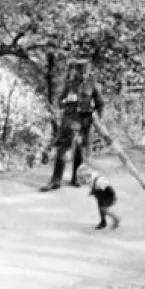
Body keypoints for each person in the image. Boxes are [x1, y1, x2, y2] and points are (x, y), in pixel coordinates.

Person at [41, 59, 105, 192]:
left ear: (89, 72)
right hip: (69, 119)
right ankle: (55, 180)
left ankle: (76, 178)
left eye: (85, 72)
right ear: (76, 71)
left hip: (85, 121)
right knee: (62, 149)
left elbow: (100, 104)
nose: (83, 74)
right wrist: (67, 101)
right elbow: (60, 102)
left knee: (80, 150)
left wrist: (99, 119)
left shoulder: (93, 85)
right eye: (80, 72)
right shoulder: (69, 84)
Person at [76, 164, 121, 230]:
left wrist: (109, 199)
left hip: (108, 196)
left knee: (104, 209)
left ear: (88, 176)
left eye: (81, 178)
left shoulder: (99, 181)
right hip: (101, 197)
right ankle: (103, 222)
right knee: (101, 210)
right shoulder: (90, 179)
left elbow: (109, 189)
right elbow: (93, 186)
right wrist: (93, 192)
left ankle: (116, 219)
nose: (80, 180)